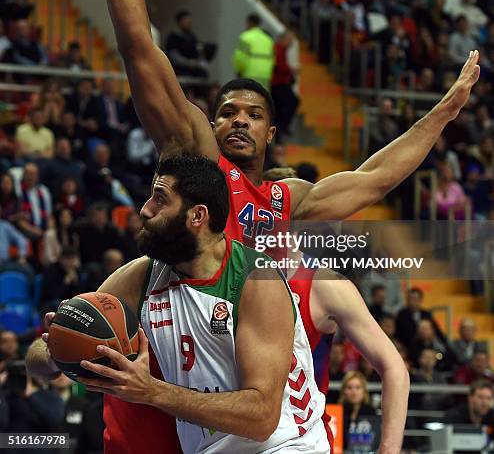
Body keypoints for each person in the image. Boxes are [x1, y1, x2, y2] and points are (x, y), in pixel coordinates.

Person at [67, 0, 480, 453]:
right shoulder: (198, 163)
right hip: (183, 373)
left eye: (253, 115)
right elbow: (142, 56)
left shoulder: (289, 200)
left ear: (271, 135)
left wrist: (442, 113)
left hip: (255, 394)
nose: (237, 120)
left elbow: (375, 178)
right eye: (227, 110)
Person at [27, 155, 330, 452]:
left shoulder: (255, 280)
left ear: (197, 216)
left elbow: (262, 417)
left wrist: (152, 392)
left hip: (286, 444)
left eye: (160, 199)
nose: (145, 210)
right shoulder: (141, 278)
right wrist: (58, 350)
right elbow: (37, 361)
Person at [164, 10, 215, 80]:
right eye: (186, 21)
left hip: (193, 69)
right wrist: (189, 63)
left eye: (190, 21)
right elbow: (174, 56)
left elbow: (197, 49)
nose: (189, 23)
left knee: (203, 74)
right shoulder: (173, 37)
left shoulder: (191, 36)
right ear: (180, 22)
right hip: (180, 69)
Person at [233, 13, 274, 89]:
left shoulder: (245, 36)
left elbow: (240, 57)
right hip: (265, 75)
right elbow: (273, 58)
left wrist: (239, 71)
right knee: (262, 98)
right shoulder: (268, 39)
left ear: (249, 23)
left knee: (248, 99)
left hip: (249, 74)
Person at [338, 371, 377, 452]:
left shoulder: (371, 412)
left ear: (364, 391)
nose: (354, 392)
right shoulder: (338, 411)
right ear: (344, 391)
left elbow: (375, 439)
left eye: (358, 387)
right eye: (349, 388)